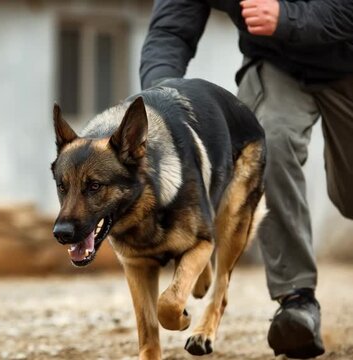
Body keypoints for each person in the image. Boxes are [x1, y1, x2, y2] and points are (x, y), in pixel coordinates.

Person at [140, 0, 353, 358]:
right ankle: (296, 300)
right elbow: (170, 30)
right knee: (265, 144)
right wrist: (161, 96)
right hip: (278, 63)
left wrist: (288, 19)